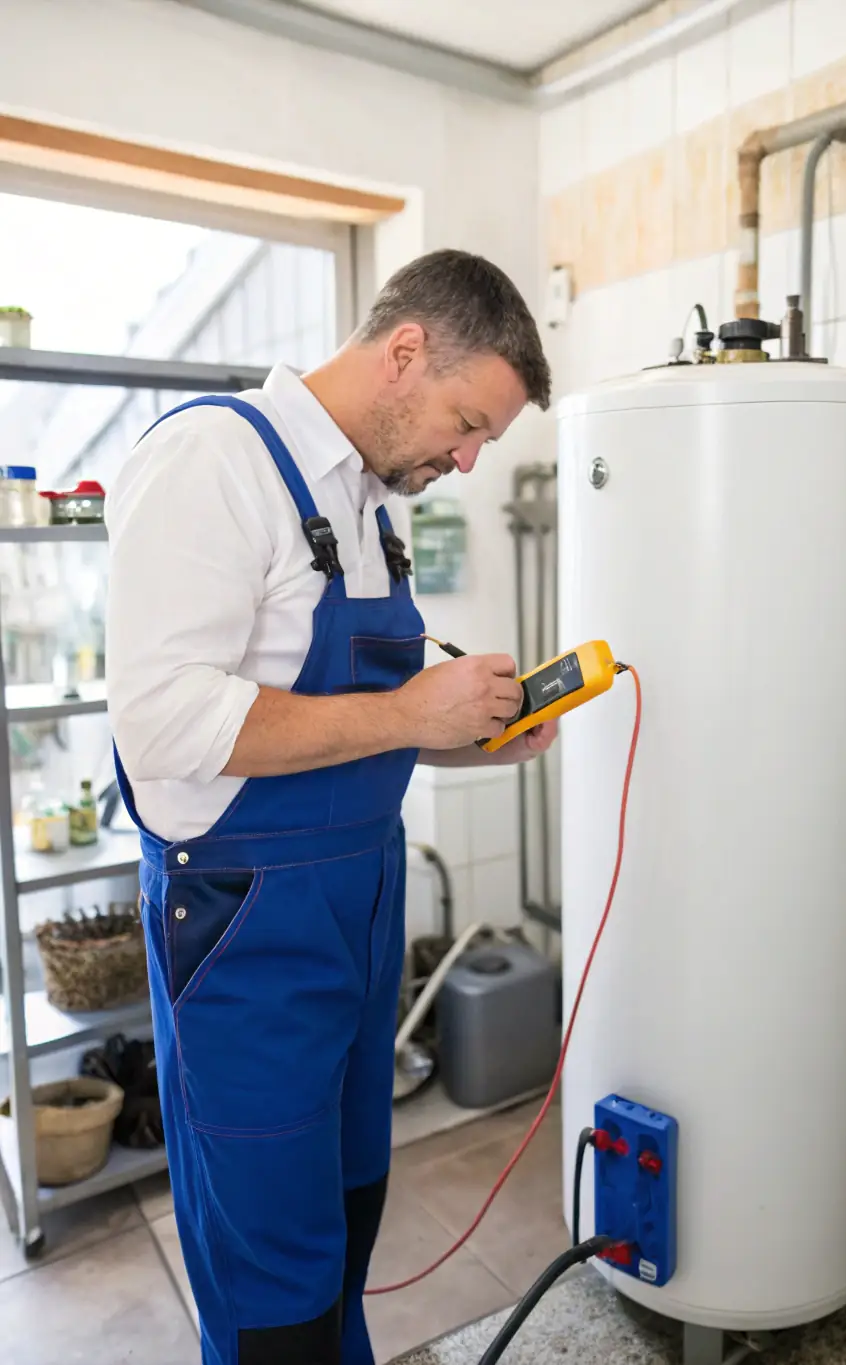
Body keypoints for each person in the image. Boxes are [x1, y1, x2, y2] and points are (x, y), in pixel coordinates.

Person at [106, 249, 554, 1365]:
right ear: (405, 351)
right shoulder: (216, 460)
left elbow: (358, 726)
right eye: (467, 422)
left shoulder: (361, 500)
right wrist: (410, 716)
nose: (465, 457)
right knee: (273, 1269)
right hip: (247, 928)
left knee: (347, 1210)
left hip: (358, 907)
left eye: (485, 441)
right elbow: (162, 723)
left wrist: (471, 739)